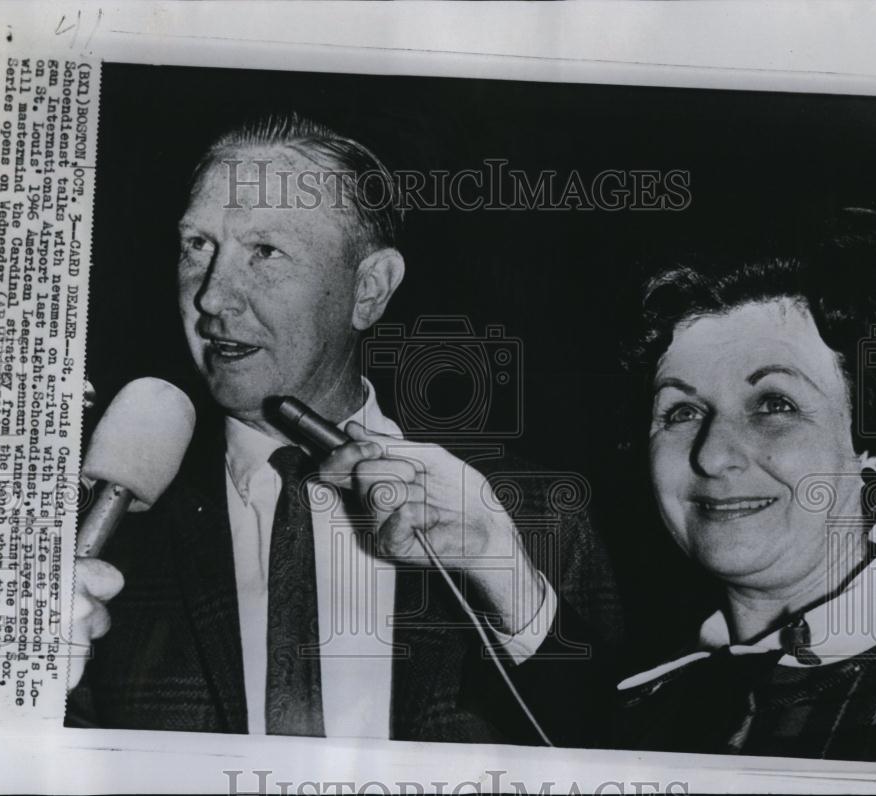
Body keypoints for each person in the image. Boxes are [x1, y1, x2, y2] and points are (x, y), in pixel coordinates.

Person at [65, 113, 622, 742]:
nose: (213, 299)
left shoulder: (533, 518)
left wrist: (511, 585)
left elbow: (622, 755)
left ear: (369, 290)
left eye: (265, 252)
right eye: (198, 246)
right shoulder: (100, 539)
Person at [481, 216, 876, 761]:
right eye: (681, 411)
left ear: (871, 446)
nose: (711, 454)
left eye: (774, 405)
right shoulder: (662, 703)